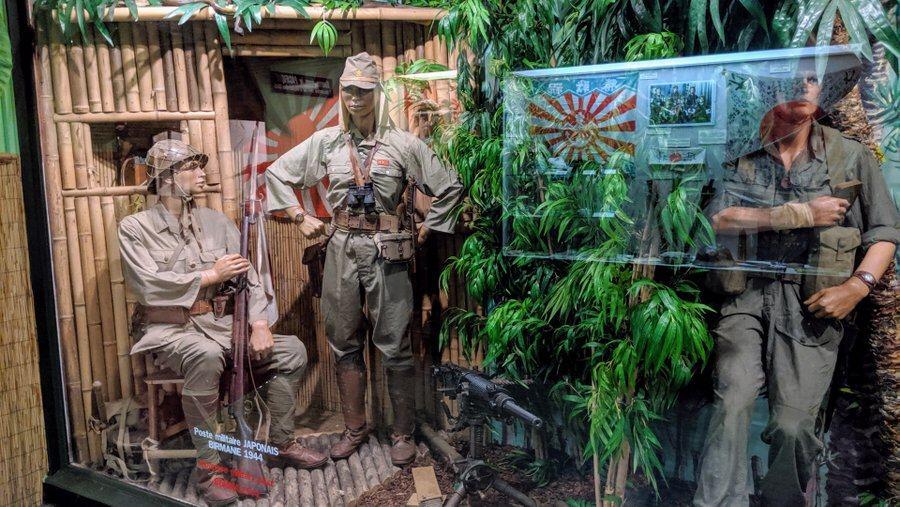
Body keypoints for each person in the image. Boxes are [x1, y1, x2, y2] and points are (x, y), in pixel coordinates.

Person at [694, 69, 900, 506]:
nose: (801, 87)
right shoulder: (742, 153)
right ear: (770, 87)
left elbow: (884, 232)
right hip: (746, 294)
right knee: (731, 403)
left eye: (810, 78)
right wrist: (800, 214)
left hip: (812, 304)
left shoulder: (848, 155)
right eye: (790, 77)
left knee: (794, 427)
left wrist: (858, 287)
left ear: (822, 88)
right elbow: (717, 219)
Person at [265, 52, 464, 466]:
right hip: (340, 247)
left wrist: (428, 228)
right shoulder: (326, 142)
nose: (355, 98)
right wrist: (299, 216)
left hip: (387, 251)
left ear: (377, 94)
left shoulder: (403, 144)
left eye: (364, 90)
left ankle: (402, 432)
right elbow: (276, 174)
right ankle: (355, 429)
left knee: (396, 342)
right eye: (349, 90)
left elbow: (450, 185)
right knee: (342, 341)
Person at [120, 139, 327, 506]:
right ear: (166, 179)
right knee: (205, 355)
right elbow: (147, 285)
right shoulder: (135, 228)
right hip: (170, 329)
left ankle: (281, 442)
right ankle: (210, 469)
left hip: (222, 325)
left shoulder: (216, 222)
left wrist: (259, 323)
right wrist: (210, 276)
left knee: (292, 350)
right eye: (192, 168)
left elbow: (249, 278)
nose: (202, 174)